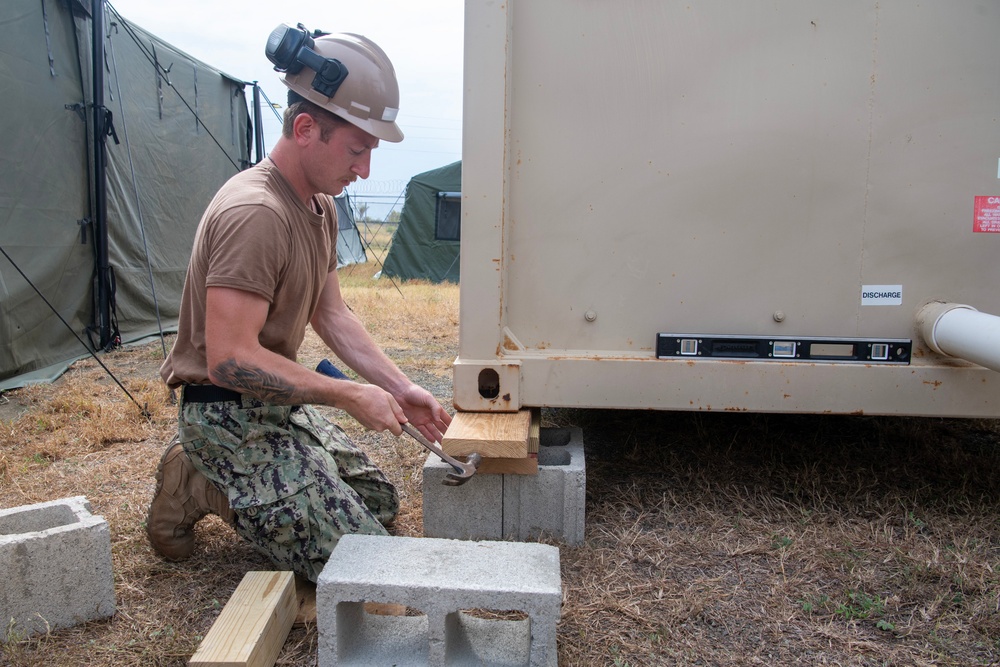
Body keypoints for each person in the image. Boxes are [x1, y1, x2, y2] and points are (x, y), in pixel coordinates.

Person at [145, 26, 452, 583]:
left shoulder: (318, 203)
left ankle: (222, 477)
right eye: (357, 150)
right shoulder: (256, 213)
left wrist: (399, 386)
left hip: (274, 402)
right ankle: (199, 474)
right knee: (361, 559)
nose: (364, 170)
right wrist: (348, 394)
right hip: (222, 411)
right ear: (306, 127)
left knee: (379, 503)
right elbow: (230, 360)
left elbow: (331, 313)